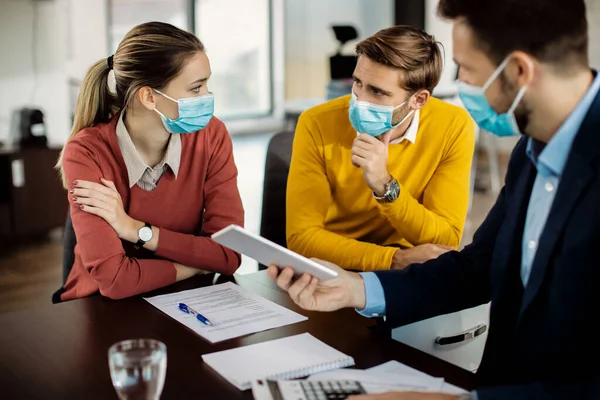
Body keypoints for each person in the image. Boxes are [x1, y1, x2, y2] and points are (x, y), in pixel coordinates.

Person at [269, 0, 600, 398]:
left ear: (518, 71)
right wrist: (358, 288)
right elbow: (479, 268)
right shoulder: (531, 150)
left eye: (468, 69)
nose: (460, 82)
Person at [53, 22, 244, 302]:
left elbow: (229, 253)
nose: (207, 97)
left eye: (207, 84)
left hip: (184, 300)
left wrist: (133, 229)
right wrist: (193, 265)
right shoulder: (86, 152)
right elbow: (115, 280)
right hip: (99, 308)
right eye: (196, 88)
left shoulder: (212, 135)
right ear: (149, 96)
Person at [286, 25, 475, 272]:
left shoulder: (453, 126)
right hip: (336, 265)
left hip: (409, 272)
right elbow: (301, 239)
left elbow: (444, 240)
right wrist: (392, 259)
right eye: (358, 83)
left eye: (377, 91)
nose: (360, 100)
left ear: (418, 100)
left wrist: (385, 186)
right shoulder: (316, 123)